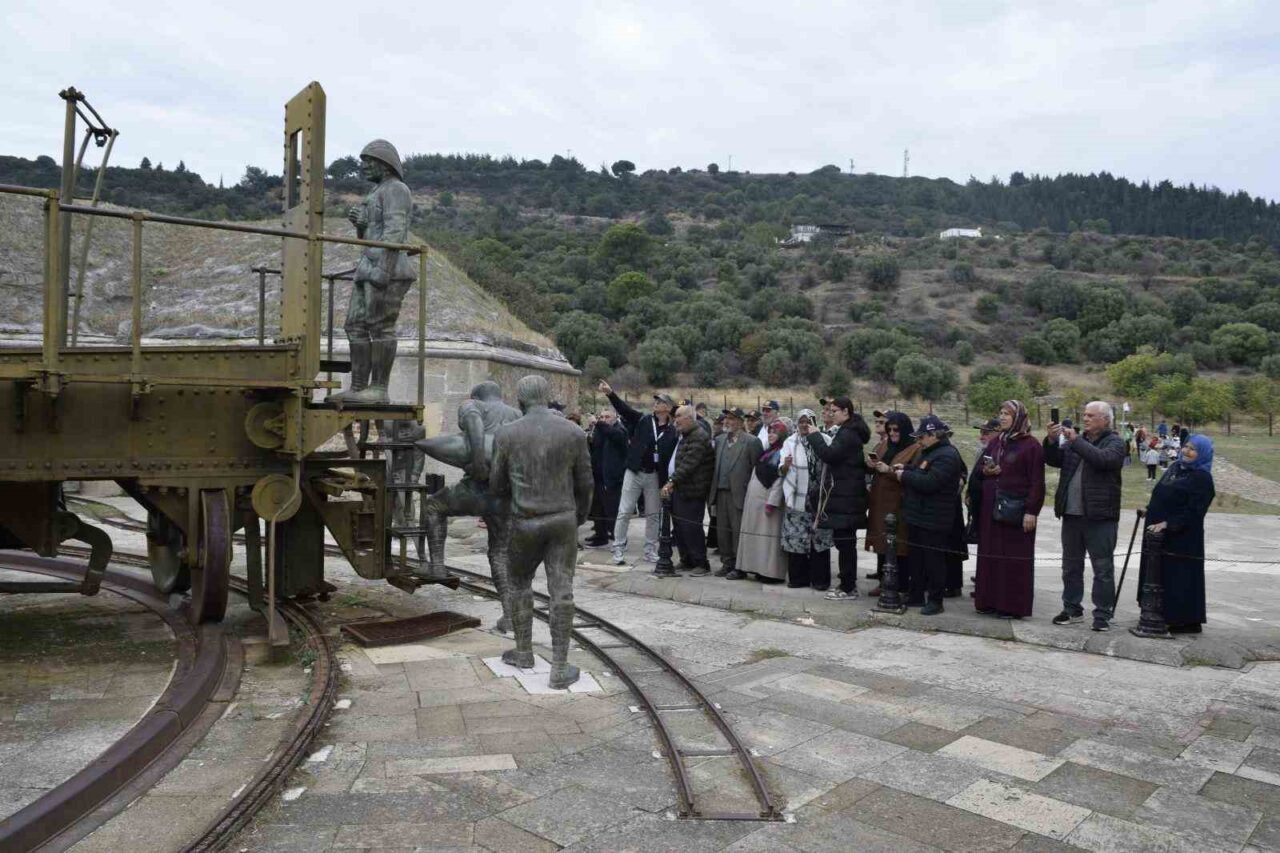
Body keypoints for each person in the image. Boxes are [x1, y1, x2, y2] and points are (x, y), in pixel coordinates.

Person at [489, 375, 594, 689]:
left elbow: (496, 485)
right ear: (548, 397)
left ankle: (523, 652)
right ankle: (559, 666)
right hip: (562, 519)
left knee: (519, 583)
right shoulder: (574, 432)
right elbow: (586, 483)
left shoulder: (506, 435)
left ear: (520, 400)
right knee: (562, 589)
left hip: (526, 520)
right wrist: (580, 516)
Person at [331, 140, 417, 404]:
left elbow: (395, 231)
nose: (364, 166)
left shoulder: (396, 189)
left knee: (380, 327)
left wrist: (383, 270)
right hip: (367, 266)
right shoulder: (377, 191)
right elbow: (370, 234)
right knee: (355, 326)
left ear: (385, 163)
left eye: (369, 161)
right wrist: (362, 224)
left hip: (387, 269)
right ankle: (358, 388)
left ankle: (378, 388)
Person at [1045, 401, 1127, 632]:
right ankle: (1072, 609)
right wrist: (1051, 440)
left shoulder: (1116, 443)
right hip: (1072, 515)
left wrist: (1076, 441)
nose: (1086, 419)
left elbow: (1102, 460)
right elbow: (1053, 460)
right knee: (1070, 567)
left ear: (1105, 419)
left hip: (1100, 517)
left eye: (1091, 415)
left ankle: (1103, 614)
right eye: (1085, 415)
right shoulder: (1076, 442)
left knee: (1102, 569)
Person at [973, 401, 1045, 619]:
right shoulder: (996, 442)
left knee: (1013, 560)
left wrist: (1031, 511)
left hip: (1015, 512)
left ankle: (1011, 606)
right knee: (991, 556)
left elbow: (1037, 482)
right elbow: (978, 471)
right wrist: (986, 470)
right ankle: (989, 601)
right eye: (1001, 412)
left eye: (1008, 414)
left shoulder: (1031, 446)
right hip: (991, 510)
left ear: (1019, 418)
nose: (1002, 417)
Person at [1138, 434, 1215, 633]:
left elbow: (1194, 511)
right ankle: (1157, 612)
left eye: (1193, 449)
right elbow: (1163, 494)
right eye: (1186, 447)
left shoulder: (1202, 477)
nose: (1187, 451)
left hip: (1181, 539)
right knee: (1157, 574)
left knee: (1178, 578)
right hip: (1158, 534)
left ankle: (1182, 620)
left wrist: (1167, 523)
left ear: (1202, 454)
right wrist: (1149, 509)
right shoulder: (1175, 468)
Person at [599, 381, 679, 565]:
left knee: (653, 515)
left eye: (660, 402)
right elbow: (624, 410)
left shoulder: (672, 431)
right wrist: (610, 393)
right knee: (624, 511)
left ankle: (650, 550)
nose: (656, 404)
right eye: (656, 401)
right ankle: (618, 548)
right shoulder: (643, 420)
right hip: (634, 472)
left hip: (654, 476)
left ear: (667, 408)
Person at [801, 397, 869, 601]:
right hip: (845, 495)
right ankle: (847, 583)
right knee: (844, 542)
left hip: (846, 496)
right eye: (829, 410)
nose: (831, 414)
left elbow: (829, 455)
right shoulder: (849, 431)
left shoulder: (847, 434)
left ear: (846, 411)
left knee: (845, 543)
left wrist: (814, 436)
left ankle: (848, 587)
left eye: (835, 410)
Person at [896, 415, 964, 615]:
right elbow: (922, 472)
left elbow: (930, 482)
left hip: (934, 518)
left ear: (934, 435)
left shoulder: (947, 455)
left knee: (934, 562)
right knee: (916, 559)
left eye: (922, 437)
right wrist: (907, 468)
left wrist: (905, 476)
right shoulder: (930, 452)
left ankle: (936, 600)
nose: (919, 441)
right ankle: (916, 594)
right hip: (919, 515)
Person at [866, 412, 920, 600]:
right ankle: (883, 582)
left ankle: (902, 585)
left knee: (900, 546)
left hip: (899, 504)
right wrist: (871, 464)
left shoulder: (915, 448)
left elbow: (913, 475)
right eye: (890, 430)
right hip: (880, 501)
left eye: (896, 430)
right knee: (882, 542)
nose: (893, 433)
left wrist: (888, 471)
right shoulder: (885, 444)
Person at [780, 409, 834, 589]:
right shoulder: (790, 442)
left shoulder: (825, 439)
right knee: (797, 540)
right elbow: (781, 469)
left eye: (809, 421)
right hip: (797, 498)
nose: (805, 424)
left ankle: (820, 581)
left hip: (820, 499)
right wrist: (785, 466)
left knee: (819, 540)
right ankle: (798, 579)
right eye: (801, 421)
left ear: (814, 422)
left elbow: (832, 461)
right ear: (797, 423)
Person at [709, 409, 762, 579]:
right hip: (721, 492)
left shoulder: (752, 442)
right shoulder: (719, 440)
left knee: (738, 531)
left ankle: (740, 567)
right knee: (722, 531)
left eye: (731, 419)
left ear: (740, 422)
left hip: (740, 494)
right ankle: (727, 563)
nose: (726, 422)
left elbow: (757, 469)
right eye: (726, 418)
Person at [662, 405, 715, 575]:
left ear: (690, 418)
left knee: (691, 528)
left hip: (693, 491)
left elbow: (689, 464)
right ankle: (686, 560)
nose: (675, 420)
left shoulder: (699, 436)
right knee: (679, 527)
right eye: (675, 416)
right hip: (680, 489)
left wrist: (671, 482)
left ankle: (701, 563)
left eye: (678, 416)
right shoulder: (684, 435)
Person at [737, 418, 790, 583]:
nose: (772, 435)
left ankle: (770, 572)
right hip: (755, 500)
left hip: (767, 502)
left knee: (768, 540)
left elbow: (779, 479)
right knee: (756, 537)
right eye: (770, 432)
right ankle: (757, 568)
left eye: (776, 432)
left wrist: (772, 502)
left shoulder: (783, 452)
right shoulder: (768, 450)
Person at [585, 409, 627, 547]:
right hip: (597, 475)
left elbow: (615, 436)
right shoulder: (599, 431)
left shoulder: (619, 430)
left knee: (612, 509)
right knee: (598, 508)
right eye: (601, 417)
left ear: (615, 418)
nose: (604, 419)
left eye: (607, 417)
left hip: (612, 477)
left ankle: (618, 537)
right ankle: (600, 535)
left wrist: (598, 423)